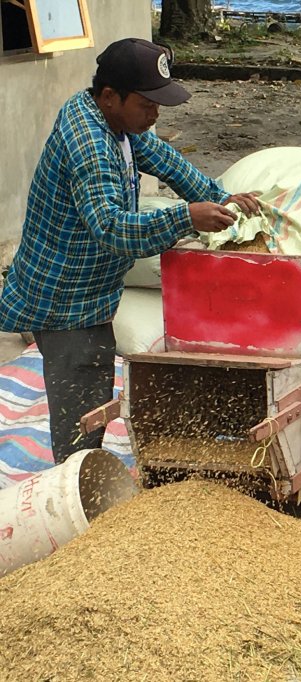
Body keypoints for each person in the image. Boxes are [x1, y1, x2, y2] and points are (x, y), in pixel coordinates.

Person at [0, 38, 261, 464]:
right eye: (147, 104)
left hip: (91, 292)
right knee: (81, 420)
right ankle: (77, 498)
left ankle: (87, 474)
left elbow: (164, 158)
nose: (155, 113)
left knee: (95, 393)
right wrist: (185, 218)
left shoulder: (118, 123)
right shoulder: (89, 142)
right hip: (65, 302)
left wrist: (220, 195)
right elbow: (111, 227)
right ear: (109, 96)